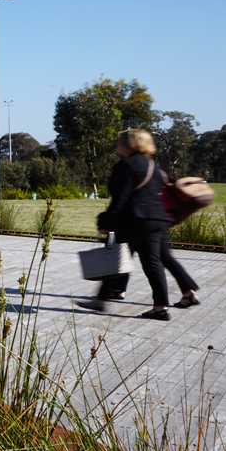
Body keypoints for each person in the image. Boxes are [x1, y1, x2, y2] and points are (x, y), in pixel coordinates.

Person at [80, 128, 200, 320]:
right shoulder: (154, 166)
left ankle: (157, 307)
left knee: (128, 260)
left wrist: (106, 220)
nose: (117, 145)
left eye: (120, 142)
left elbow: (121, 198)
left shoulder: (126, 166)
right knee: (152, 260)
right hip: (158, 219)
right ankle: (106, 300)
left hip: (136, 220)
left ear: (129, 144)